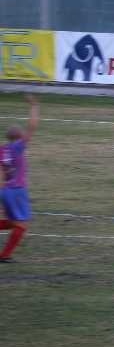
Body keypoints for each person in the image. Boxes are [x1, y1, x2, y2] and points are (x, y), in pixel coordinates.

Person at [0, 95, 37, 263]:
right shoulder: (18, 146)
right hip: (16, 190)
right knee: (21, 225)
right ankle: (4, 255)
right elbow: (32, 127)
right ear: (18, 135)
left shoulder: (2, 150)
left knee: (12, 221)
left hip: (5, 190)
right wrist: (33, 106)